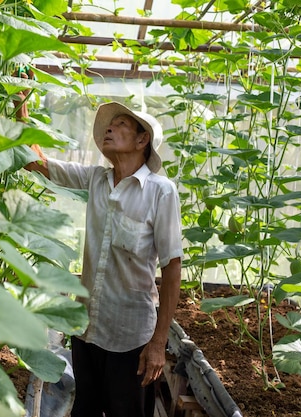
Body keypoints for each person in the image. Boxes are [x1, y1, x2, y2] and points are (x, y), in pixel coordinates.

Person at [18, 88, 183, 417]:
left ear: (142, 141)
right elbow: (36, 162)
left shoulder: (160, 191)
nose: (108, 128)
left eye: (120, 124)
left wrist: (158, 343)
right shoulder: (96, 179)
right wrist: (20, 106)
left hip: (132, 337)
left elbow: (172, 267)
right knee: (85, 410)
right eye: (110, 125)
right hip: (88, 331)